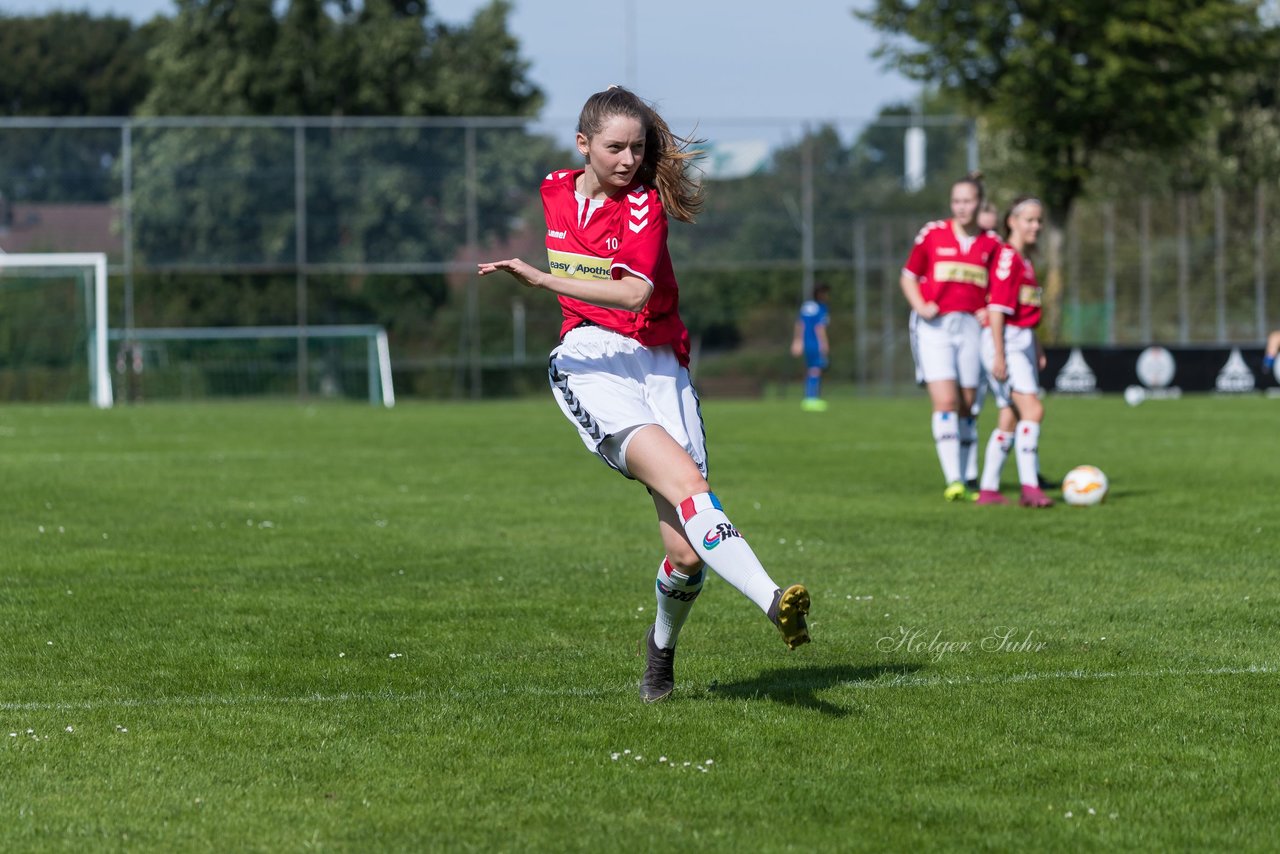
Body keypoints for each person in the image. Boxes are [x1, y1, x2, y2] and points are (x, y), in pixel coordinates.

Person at [477, 86, 810, 704]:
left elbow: (633, 296)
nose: (629, 160)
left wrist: (539, 276)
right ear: (582, 145)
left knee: (685, 554)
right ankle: (773, 601)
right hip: (589, 363)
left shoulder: (642, 212)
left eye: (637, 148)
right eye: (615, 147)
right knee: (692, 489)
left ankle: (659, 656)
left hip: (659, 365)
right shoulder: (554, 186)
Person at [901, 173, 1002, 501]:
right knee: (945, 401)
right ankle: (954, 480)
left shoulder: (991, 244)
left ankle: (969, 475)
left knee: (969, 405)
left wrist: (988, 309)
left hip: (972, 329)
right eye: (957, 201)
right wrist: (920, 304)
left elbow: (999, 291)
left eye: (968, 201)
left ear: (979, 203)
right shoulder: (933, 233)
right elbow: (908, 277)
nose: (962, 207)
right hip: (935, 328)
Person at [975, 197, 1054, 508]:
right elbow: (997, 309)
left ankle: (989, 489)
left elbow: (1026, 311)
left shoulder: (1026, 260)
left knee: (1009, 416)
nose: (1036, 226)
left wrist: (1037, 346)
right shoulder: (1008, 257)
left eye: (1039, 221)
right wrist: (999, 354)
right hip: (1004, 341)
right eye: (1029, 220)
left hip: (1021, 341)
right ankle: (1030, 487)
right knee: (1033, 410)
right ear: (1012, 221)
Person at [791, 282, 830, 411]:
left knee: (811, 369)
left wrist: (797, 341)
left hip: (805, 342)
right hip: (815, 343)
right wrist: (824, 343)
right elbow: (820, 328)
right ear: (820, 294)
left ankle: (810, 397)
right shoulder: (821, 308)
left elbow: (799, 324)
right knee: (815, 369)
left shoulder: (806, 306)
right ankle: (811, 399)